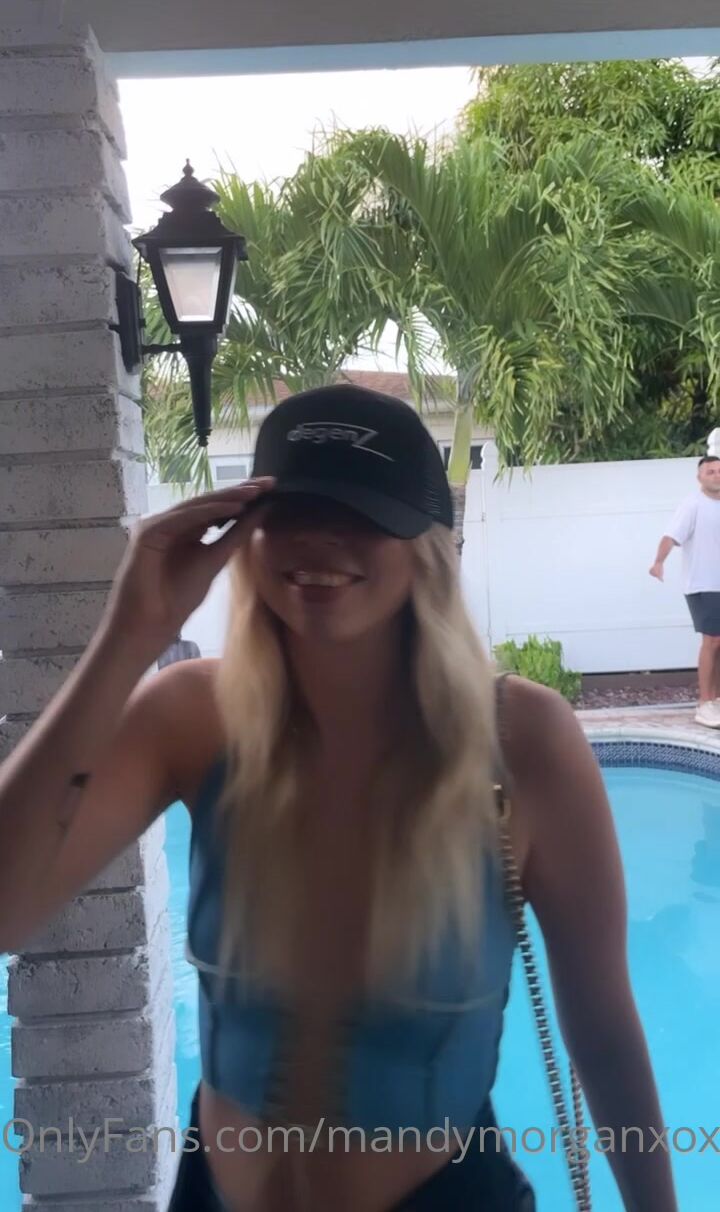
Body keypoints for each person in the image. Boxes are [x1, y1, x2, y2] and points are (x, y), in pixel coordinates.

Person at [0, 384, 677, 1212]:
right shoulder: (193, 717)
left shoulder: (522, 741)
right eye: (288, 511)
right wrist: (129, 632)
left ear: (426, 545)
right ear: (245, 531)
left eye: (362, 514)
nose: (319, 540)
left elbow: (602, 1025)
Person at [650, 454, 720, 728]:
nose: (716, 475)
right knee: (712, 641)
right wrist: (658, 562)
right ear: (699, 477)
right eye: (710, 471)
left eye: (719, 471)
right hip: (703, 584)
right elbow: (671, 536)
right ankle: (704, 703)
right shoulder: (693, 505)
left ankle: (716, 699)